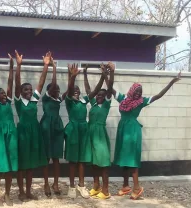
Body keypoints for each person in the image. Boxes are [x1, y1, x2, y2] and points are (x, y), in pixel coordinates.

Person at [113, 72, 181, 199]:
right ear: (132, 90)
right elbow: (111, 89)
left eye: (140, 91)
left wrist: (171, 82)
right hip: (123, 130)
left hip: (133, 132)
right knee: (123, 158)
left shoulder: (141, 102)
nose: (139, 93)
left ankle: (137, 187)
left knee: (131, 159)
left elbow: (158, 96)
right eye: (137, 91)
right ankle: (126, 186)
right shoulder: (123, 99)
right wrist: (108, 74)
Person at [64, 63, 104, 199]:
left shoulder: (83, 101)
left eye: (77, 90)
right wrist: (73, 77)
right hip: (73, 130)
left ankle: (81, 186)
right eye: (74, 90)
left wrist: (103, 77)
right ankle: (71, 186)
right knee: (72, 161)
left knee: (82, 160)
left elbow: (95, 90)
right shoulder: (69, 102)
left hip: (83, 130)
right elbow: (69, 90)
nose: (76, 91)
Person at [14, 50, 50, 201]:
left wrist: (46, 66)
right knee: (22, 165)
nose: (29, 91)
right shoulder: (18, 101)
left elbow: (41, 83)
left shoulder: (34, 100)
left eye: (30, 89)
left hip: (34, 132)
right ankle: (21, 191)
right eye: (25, 90)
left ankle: (28, 191)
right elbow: (16, 82)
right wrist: (18, 65)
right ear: (21, 92)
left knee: (30, 165)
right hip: (22, 133)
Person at [0, 51, 18, 206]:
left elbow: (10, 82)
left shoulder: (8, 102)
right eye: (1, 93)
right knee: (0, 166)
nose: (4, 94)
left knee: (10, 166)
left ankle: (7, 194)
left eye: (4, 93)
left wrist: (12, 66)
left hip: (11, 133)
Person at [85, 63, 113, 199]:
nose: (99, 96)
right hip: (91, 135)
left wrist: (108, 74)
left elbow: (110, 87)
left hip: (100, 136)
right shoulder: (94, 105)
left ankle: (106, 190)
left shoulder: (106, 105)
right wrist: (84, 74)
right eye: (98, 95)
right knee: (94, 163)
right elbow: (88, 89)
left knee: (103, 163)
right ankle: (96, 186)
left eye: (102, 95)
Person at [40, 58, 63, 197]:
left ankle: (55, 183)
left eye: (59, 90)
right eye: (55, 89)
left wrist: (72, 77)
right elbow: (53, 84)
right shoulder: (46, 98)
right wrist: (53, 67)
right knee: (47, 157)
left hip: (57, 126)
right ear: (49, 91)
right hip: (46, 126)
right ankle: (46, 183)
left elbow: (69, 89)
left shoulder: (58, 99)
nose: (57, 90)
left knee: (56, 158)